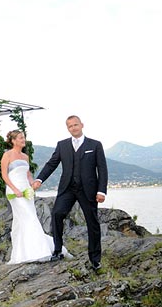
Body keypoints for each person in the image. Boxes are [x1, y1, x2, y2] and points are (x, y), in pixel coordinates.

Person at [32, 115, 108, 271]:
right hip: (67, 188)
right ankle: (58, 250)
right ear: (68, 128)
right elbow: (51, 164)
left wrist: (102, 191)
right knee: (57, 214)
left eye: (75, 125)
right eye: (70, 126)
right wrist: (39, 179)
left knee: (92, 223)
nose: (73, 128)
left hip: (88, 190)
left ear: (82, 125)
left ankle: (95, 259)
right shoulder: (62, 145)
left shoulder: (95, 145)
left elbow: (102, 169)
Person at [1, 129, 69, 264]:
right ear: (13, 140)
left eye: (23, 137)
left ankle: (24, 251)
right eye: (20, 138)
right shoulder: (7, 155)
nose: (23, 140)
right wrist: (15, 189)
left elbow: (28, 174)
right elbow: (4, 175)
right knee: (29, 218)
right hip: (15, 192)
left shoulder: (25, 157)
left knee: (23, 220)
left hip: (27, 191)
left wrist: (33, 183)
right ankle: (38, 251)